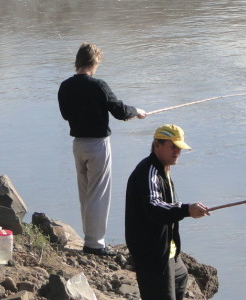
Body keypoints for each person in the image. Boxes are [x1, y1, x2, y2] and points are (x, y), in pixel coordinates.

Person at [58, 42, 147, 256]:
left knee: (86, 192)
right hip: (98, 145)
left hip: (78, 145)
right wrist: (137, 111)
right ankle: (95, 244)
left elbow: (66, 115)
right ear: (94, 62)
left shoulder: (65, 86)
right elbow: (120, 111)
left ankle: (90, 238)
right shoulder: (99, 85)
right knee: (99, 193)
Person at [125, 124, 210, 300]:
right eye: (173, 147)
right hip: (152, 254)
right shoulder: (149, 172)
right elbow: (155, 207)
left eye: (179, 148)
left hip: (169, 252)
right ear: (157, 145)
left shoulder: (164, 169)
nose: (177, 152)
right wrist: (186, 209)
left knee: (181, 276)